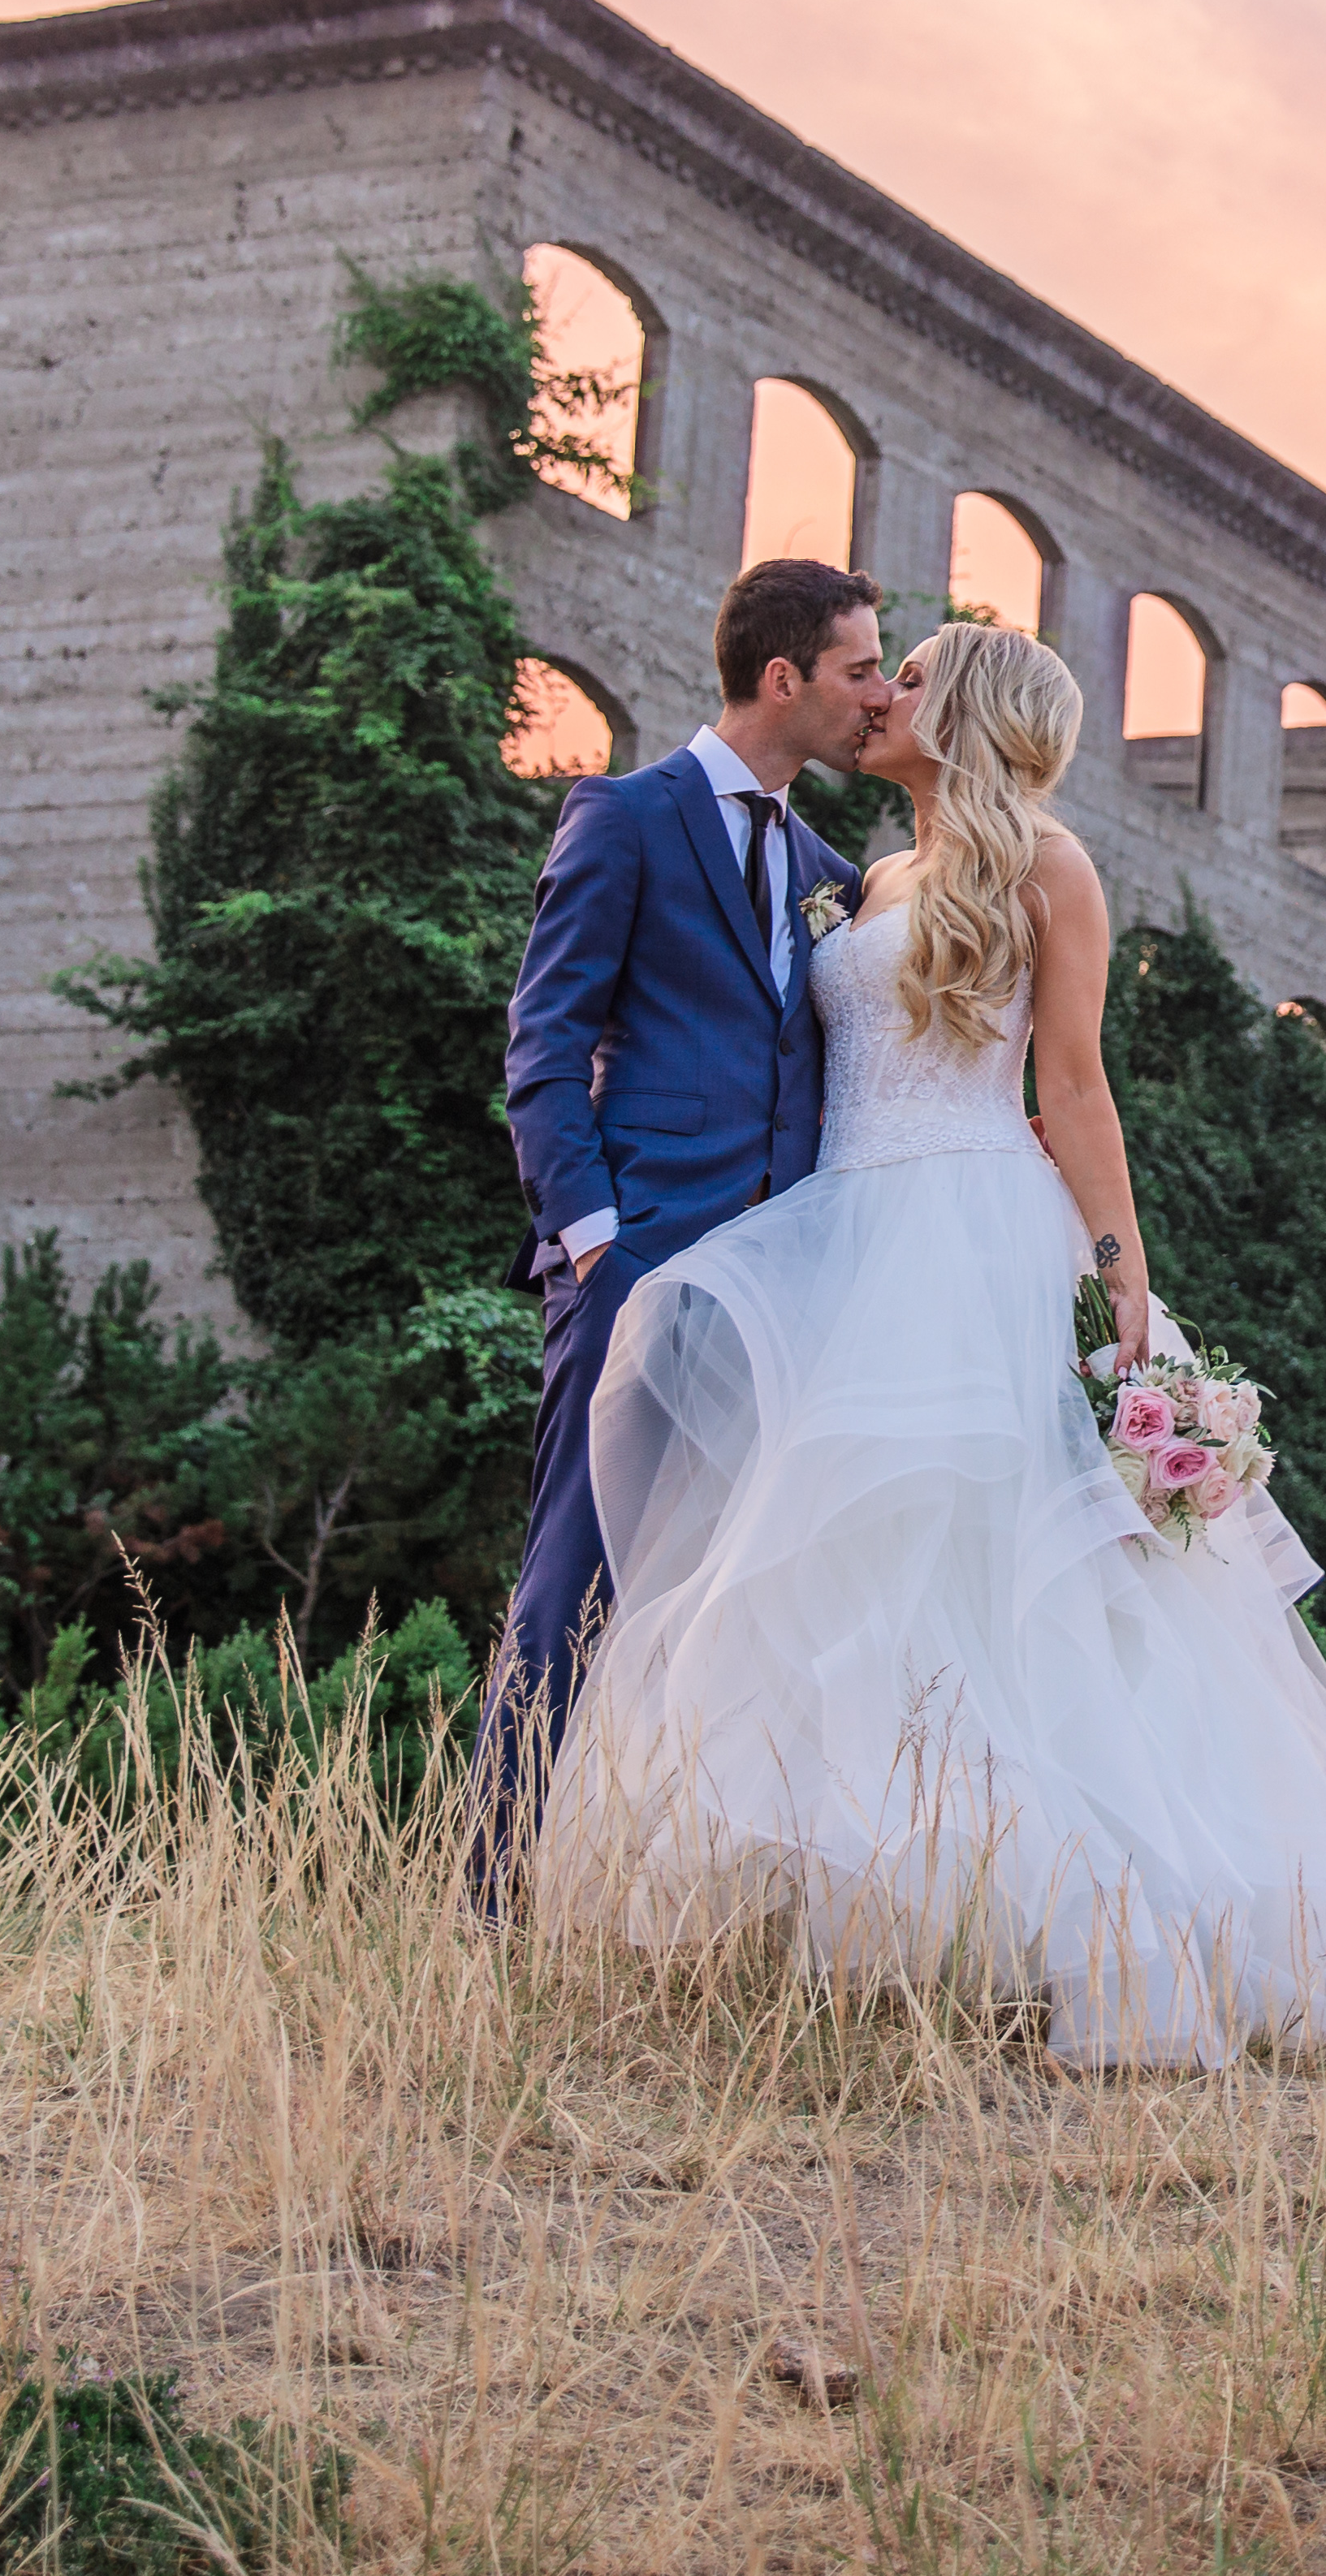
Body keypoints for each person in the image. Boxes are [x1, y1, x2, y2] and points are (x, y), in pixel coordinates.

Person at [533, 621, 1326, 2067]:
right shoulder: (865, 878)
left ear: (970, 708)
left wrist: (1123, 1285)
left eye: (911, 675)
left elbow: (1076, 1089)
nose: (886, 694)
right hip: (841, 1229)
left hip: (974, 1232)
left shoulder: (1051, 870)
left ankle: (1086, 1941)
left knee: (995, 1580)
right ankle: (864, 1944)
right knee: (839, 1576)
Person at [473, 556, 900, 1879]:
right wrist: (594, 1236)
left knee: (736, 1598)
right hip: (640, 1259)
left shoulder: (833, 869)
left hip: (786, 1286)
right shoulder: (626, 817)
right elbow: (545, 1043)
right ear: (784, 679)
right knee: (577, 1578)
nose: (877, 695)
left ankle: (654, 1887)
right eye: (859, 669)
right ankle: (487, 1895)